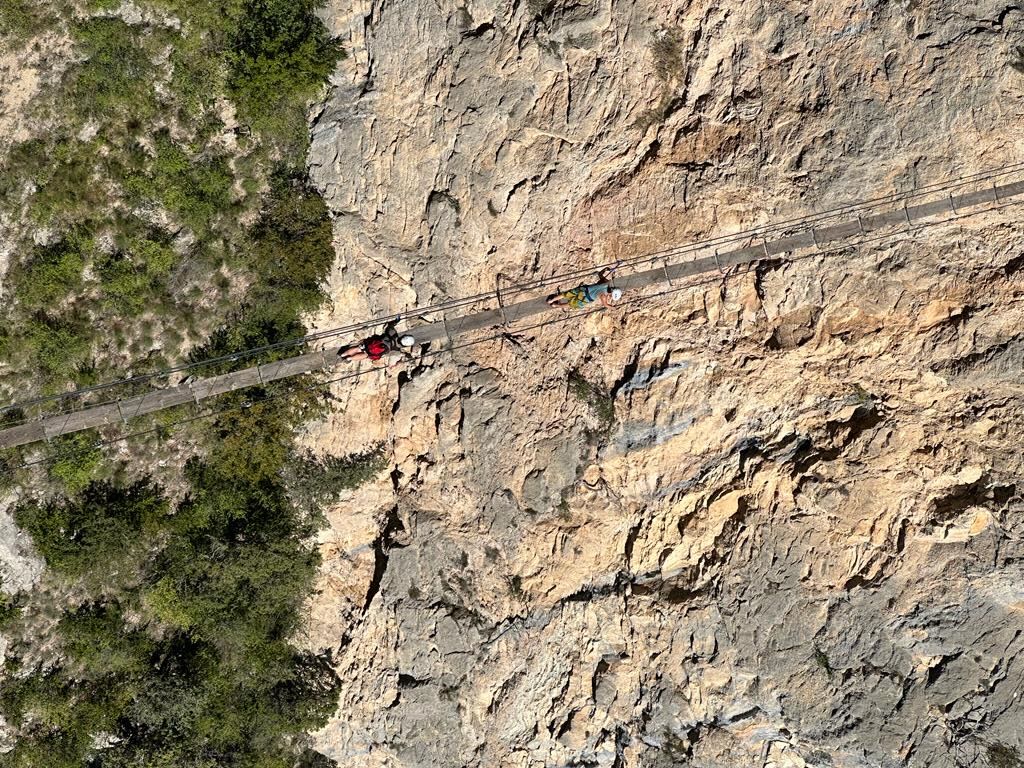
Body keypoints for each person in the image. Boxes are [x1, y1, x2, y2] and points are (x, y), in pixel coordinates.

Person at [339, 318, 416, 365]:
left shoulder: (393, 334)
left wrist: (396, 321)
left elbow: (390, 326)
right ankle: (349, 359)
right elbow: (402, 352)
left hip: (369, 344)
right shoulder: (396, 348)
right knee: (365, 355)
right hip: (373, 353)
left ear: (403, 336)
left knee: (358, 348)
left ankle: (342, 354)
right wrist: (408, 355)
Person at [546, 266, 623, 309]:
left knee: (566, 294)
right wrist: (613, 308)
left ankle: (551, 300)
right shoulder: (604, 296)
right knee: (570, 304)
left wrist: (606, 269)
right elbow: (605, 305)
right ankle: (555, 305)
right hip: (585, 299)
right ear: (611, 294)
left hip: (583, 289)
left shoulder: (606, 282)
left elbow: (600, 274)